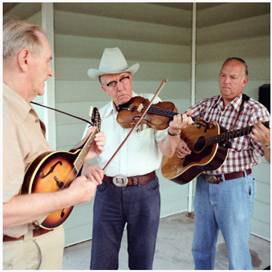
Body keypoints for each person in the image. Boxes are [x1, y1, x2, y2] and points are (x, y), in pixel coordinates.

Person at [3, 19, 105, 269]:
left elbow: (34, 175)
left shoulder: (18, 108)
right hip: (22, 254)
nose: (51, 71)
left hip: (35, 248)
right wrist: (71, 195)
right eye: (48, 60)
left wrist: (81, 154)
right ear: (25, 59)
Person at [85, 47, 192, 269]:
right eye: (111, 83)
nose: (120, 87)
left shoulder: (152, 105)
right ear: (103, 87)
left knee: (142, 259)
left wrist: (173, 132)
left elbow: (168, 150)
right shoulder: (99, 115)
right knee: (101, 260)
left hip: (144, 192)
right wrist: (88, 167)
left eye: (123, 79)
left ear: (130, 77)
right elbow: (82, 157)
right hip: (108, 193)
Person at [176, 57, 270, 269]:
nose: (226, 81)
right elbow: (183, 122)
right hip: (203, 184)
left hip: (235, 187)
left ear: (244, 81)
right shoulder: (207, 105)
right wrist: (179, 140)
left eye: (233, 77)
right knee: (200, 248)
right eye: (223, 75)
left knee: (236, 252)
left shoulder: (256, 112)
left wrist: (268, 142)